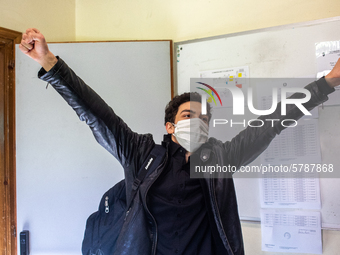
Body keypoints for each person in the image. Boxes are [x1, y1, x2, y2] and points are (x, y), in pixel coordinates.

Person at [19, 28, 340, 255]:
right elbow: (95, 112)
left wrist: (328, 82)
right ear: (170, 127)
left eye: (204, 119)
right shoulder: (141, 154)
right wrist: (49, 62)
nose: (197, 123)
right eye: (189, 116)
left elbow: (271, 123)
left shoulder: (220, 158)